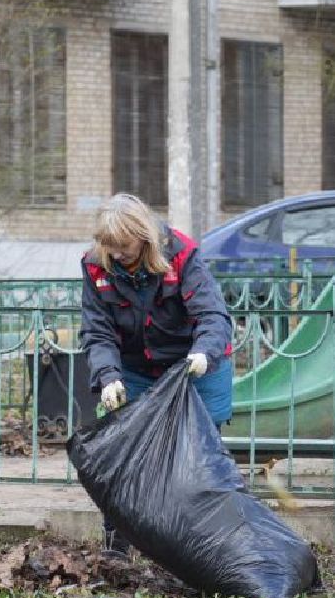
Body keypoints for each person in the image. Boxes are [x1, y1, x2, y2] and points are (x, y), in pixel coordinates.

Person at [79, 192, 234, 552]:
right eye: (110, 247)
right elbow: (97, 330)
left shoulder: (181, 254)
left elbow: (212, 316)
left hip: (195, 367)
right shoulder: (95, 266)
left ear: (145, 237)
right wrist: (108, 377)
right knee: (120, 452)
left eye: (124, 246)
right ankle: (118, 547)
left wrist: (202, 355)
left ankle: (204, 548)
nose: (117, 255)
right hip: (134, 368)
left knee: (199, 459)